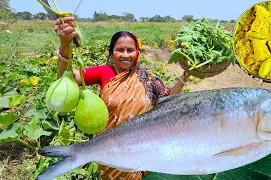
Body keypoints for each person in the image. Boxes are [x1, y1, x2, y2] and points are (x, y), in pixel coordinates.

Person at [53, 16, 190, 180]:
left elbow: (168, 99)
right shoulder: (104, 72)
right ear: (111, 53)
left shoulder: (146, 78)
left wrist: (184, 77)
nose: (125, 55)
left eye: (130, 50)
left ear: (137, 53)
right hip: (108, 152)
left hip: (141, 151)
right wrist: (65, 45)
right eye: (120, 50)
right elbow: (65, 78)